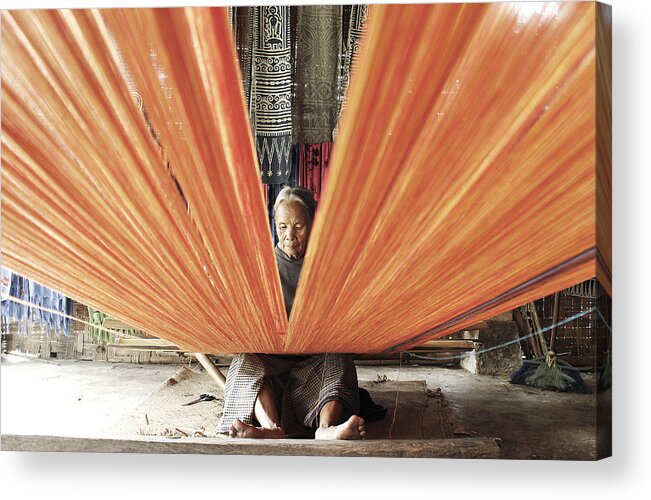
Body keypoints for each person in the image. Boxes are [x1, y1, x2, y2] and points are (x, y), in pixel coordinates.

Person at [217, 186, 366, 439]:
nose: (289, 235)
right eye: (283, 226)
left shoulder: (328, 265)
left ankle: (326, 429)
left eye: (298, 227)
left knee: (338, 360)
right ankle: (272, 429)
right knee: (244, 362)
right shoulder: (260, 267)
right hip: (271, 360)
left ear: (312, 224)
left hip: (313, 360)